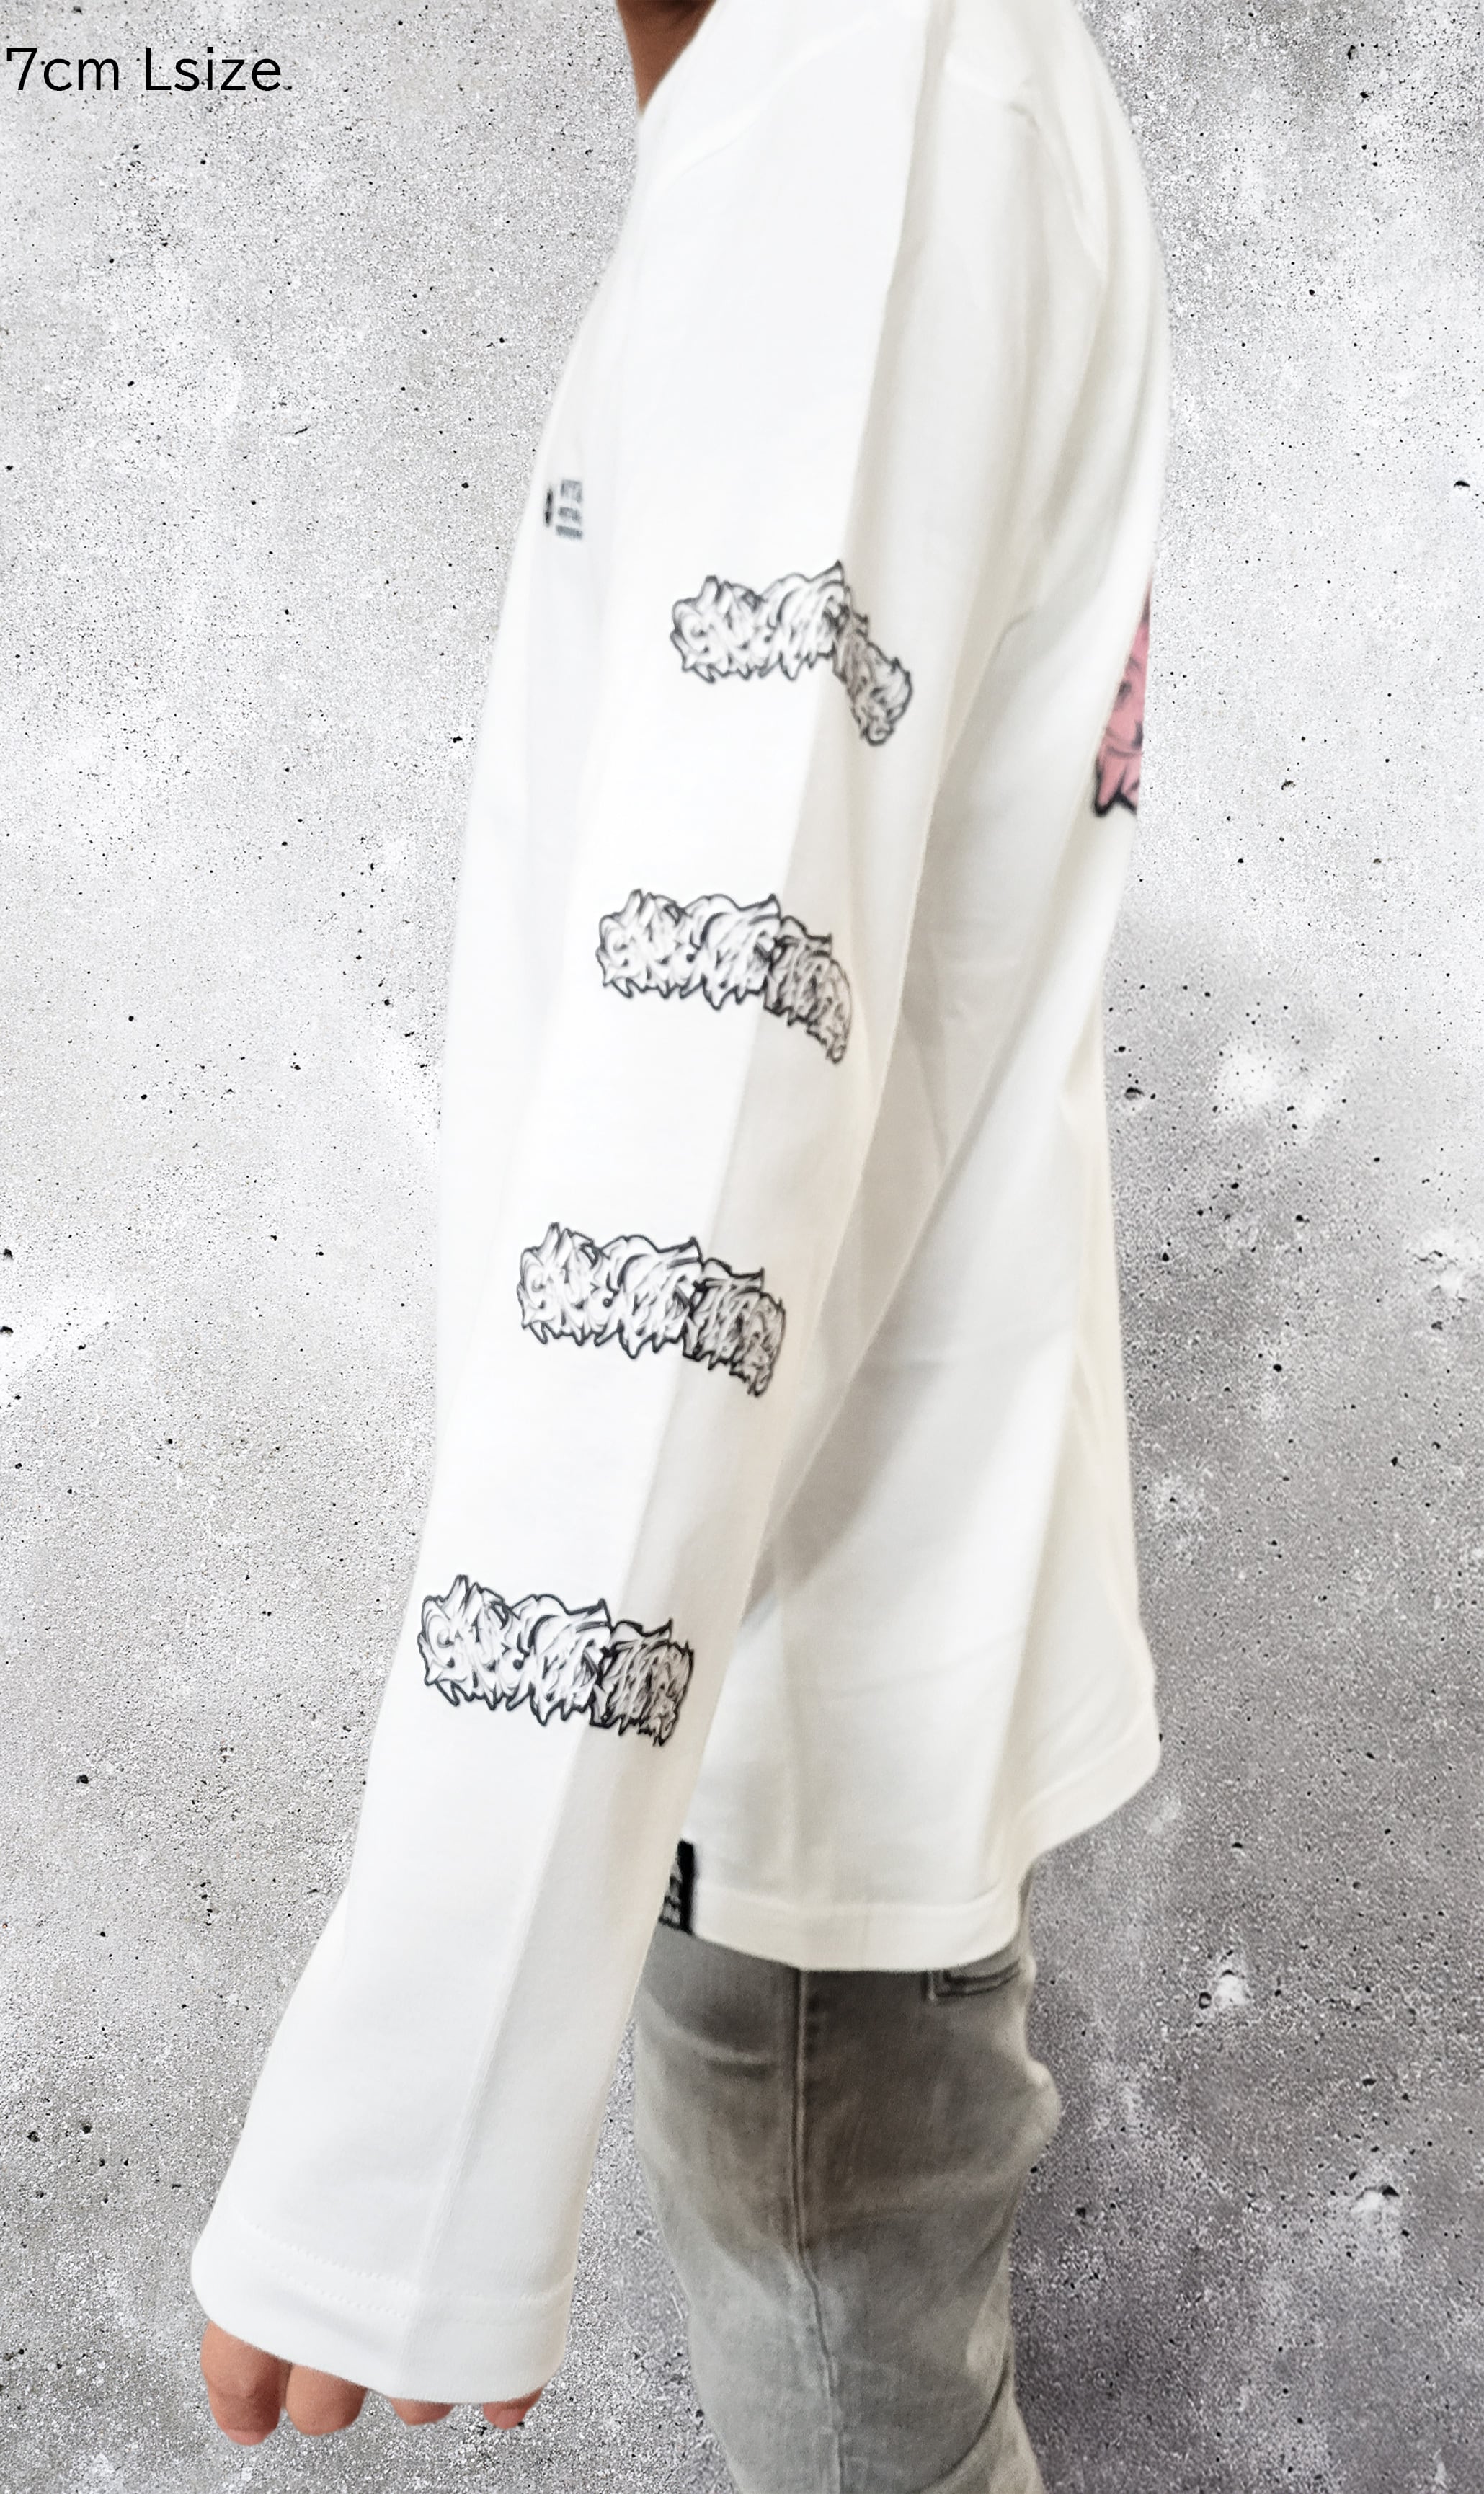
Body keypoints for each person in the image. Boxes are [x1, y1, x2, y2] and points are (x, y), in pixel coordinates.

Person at [192, 0, 1168, 2484]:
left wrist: (409, 2122)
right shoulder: (831, 99)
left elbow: (716, 1060)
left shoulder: (869, 103)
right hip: (796, 1658)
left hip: (793, 1693)